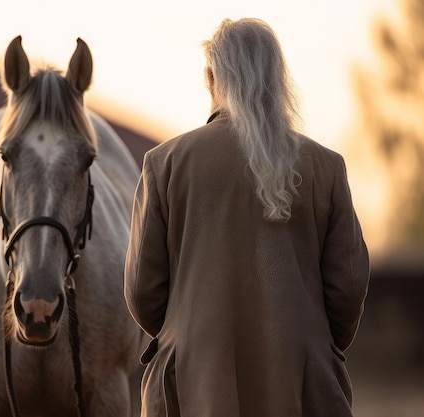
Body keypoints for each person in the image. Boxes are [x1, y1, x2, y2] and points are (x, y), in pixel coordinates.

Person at [124, 17, 370, 417]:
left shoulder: (164, 164)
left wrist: (186, 333)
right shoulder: (326, 167)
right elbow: (348, 285)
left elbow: (142, 291)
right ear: (276, 79)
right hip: (301, 386)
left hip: (191, 386)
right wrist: (311, 342)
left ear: (211, 79)